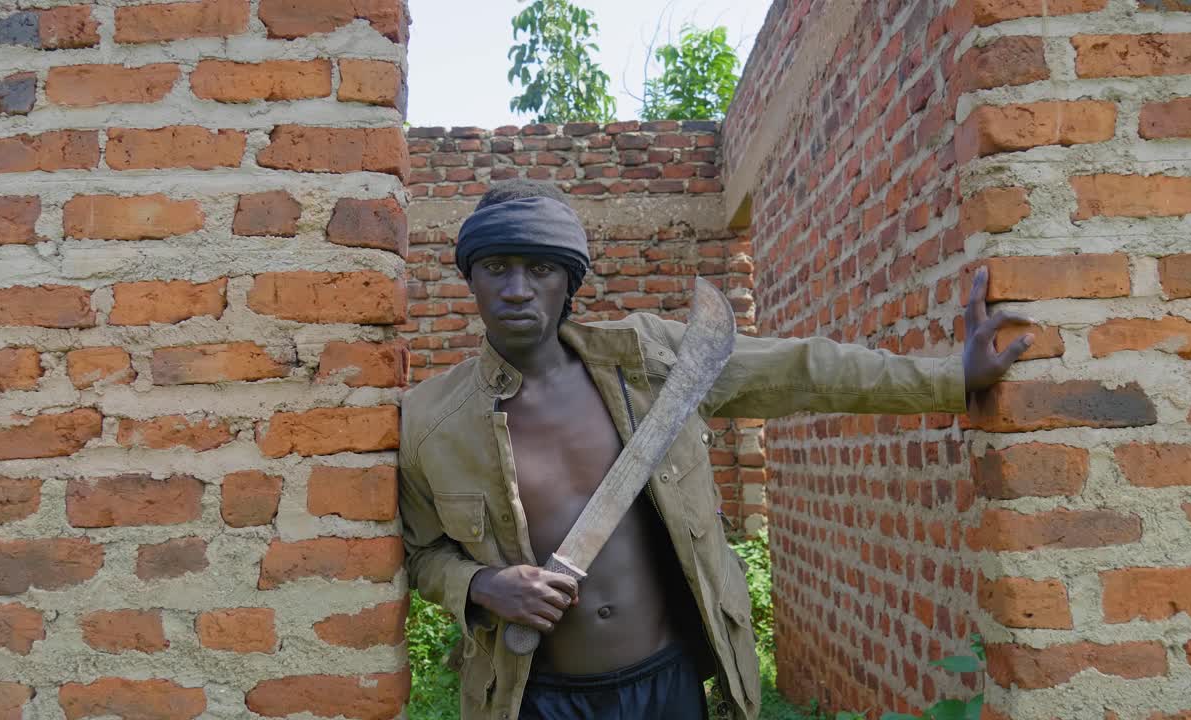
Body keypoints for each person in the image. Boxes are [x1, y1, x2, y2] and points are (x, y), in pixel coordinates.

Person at [398, 180, 1033, 720]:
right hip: (531, 694)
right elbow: (423, 553)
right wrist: (482, 584)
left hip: (665, 682)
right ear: (470, 278)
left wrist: (952, 378)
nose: (516, 289)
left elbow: (805, 370)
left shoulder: (653, 362)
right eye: (496, 268)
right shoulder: (432, 421)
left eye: (539, 269)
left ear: (570, 281)